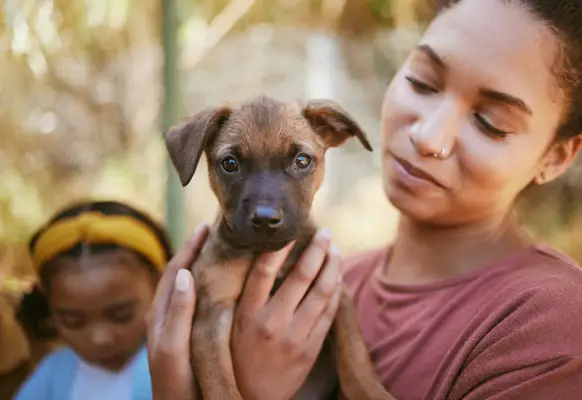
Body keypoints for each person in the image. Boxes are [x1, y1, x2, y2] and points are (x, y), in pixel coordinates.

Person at [146, 0, 582, 399]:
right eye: (423, 82)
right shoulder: (338, 275)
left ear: (558, 155)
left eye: (490, 122)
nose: (428, 136)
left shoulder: (552, 326)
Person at [14, 200, 173, 400]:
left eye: (121, 316)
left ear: (161, 284)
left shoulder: (181, 367)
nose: (101, 339)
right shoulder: (54, 374)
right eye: (73, 323)